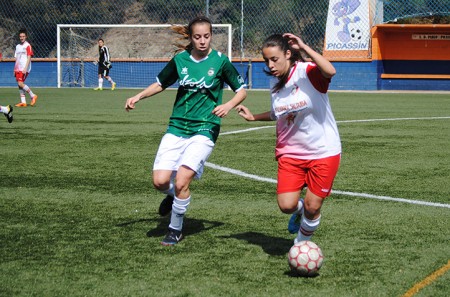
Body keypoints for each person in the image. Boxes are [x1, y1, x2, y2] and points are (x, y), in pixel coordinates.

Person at [125, 16, 247, 246]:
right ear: (190, 38)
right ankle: (173, 198)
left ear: (211, 36)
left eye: (207, 36)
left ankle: (175, 229)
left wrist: (228, 105)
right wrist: (138, 96)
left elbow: (241, 90)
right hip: (178, 125)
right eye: (198, 37)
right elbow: (161, 83)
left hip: (205, 127)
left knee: (181, 181)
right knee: (160, 182)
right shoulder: (180, 60)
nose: (202, 41)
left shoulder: (220, 61)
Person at [236, 33, 341, 244]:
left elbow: (330, 70)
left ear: (288, 54)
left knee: (313, 206)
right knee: (286, 205)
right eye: (266, 60)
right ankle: (299, 213)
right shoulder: (275, 81)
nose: (270, 65)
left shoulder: (307, 72)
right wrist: (253, 117)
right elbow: (280, 112)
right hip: (290, 152)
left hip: (323, 151)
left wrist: (303, 46)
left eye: (274, 59)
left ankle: (300, 244)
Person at [14, 28, 38, 107]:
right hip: (18, 68)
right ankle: (23, 102)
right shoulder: (17, 46)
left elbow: (29, 57)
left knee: (20, 83)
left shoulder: (27, 46)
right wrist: (15, 69)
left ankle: (33, 95)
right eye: (20, 36)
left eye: (23, 36)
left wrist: (25, 68)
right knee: (19, 84)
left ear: (26, 37)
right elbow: (17, 58)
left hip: (24, 68)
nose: (22, 38)